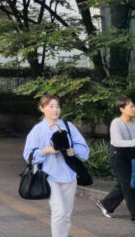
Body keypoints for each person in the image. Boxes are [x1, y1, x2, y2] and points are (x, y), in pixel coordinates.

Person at [23, 94, 90, 237]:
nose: (55, 110)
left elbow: (84, 150)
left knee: (66, 214)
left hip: (70, 176)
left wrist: (74, 151)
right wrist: (46, 150)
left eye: (58, 106)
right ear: (42, 108)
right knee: (59, 211)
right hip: (49, 176)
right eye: (51, 106)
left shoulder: (68, 126)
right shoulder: (38, 129)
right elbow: (28, 154)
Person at [99, 97, 135, 221]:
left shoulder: (134, 122)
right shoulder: (116, 123)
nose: (134, 108)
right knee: (128, 185)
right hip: (118, 156)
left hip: (131, 154)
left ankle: (105, 204)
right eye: (131, 107)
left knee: (124, 183)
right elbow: (117, 142)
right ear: (122, 109)